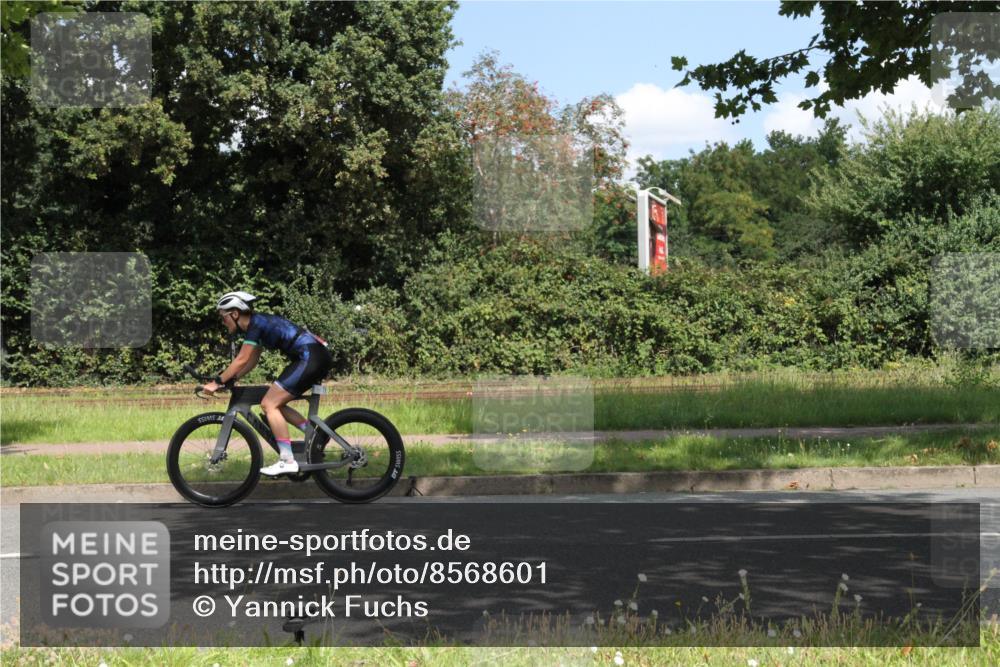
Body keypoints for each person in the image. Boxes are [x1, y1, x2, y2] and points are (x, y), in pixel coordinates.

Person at [202, 291, 333, 476]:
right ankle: (317, 436)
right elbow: (251, 360)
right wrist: (233, 378)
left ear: (235, 313)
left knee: (268, 403)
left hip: (310, 357)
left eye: (223, 317)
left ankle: (287, 460)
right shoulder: (257, 325)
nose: (223, 322)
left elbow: (241, 359)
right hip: (311, 356)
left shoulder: (256, 325)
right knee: (273, 402)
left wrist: (217, 381)